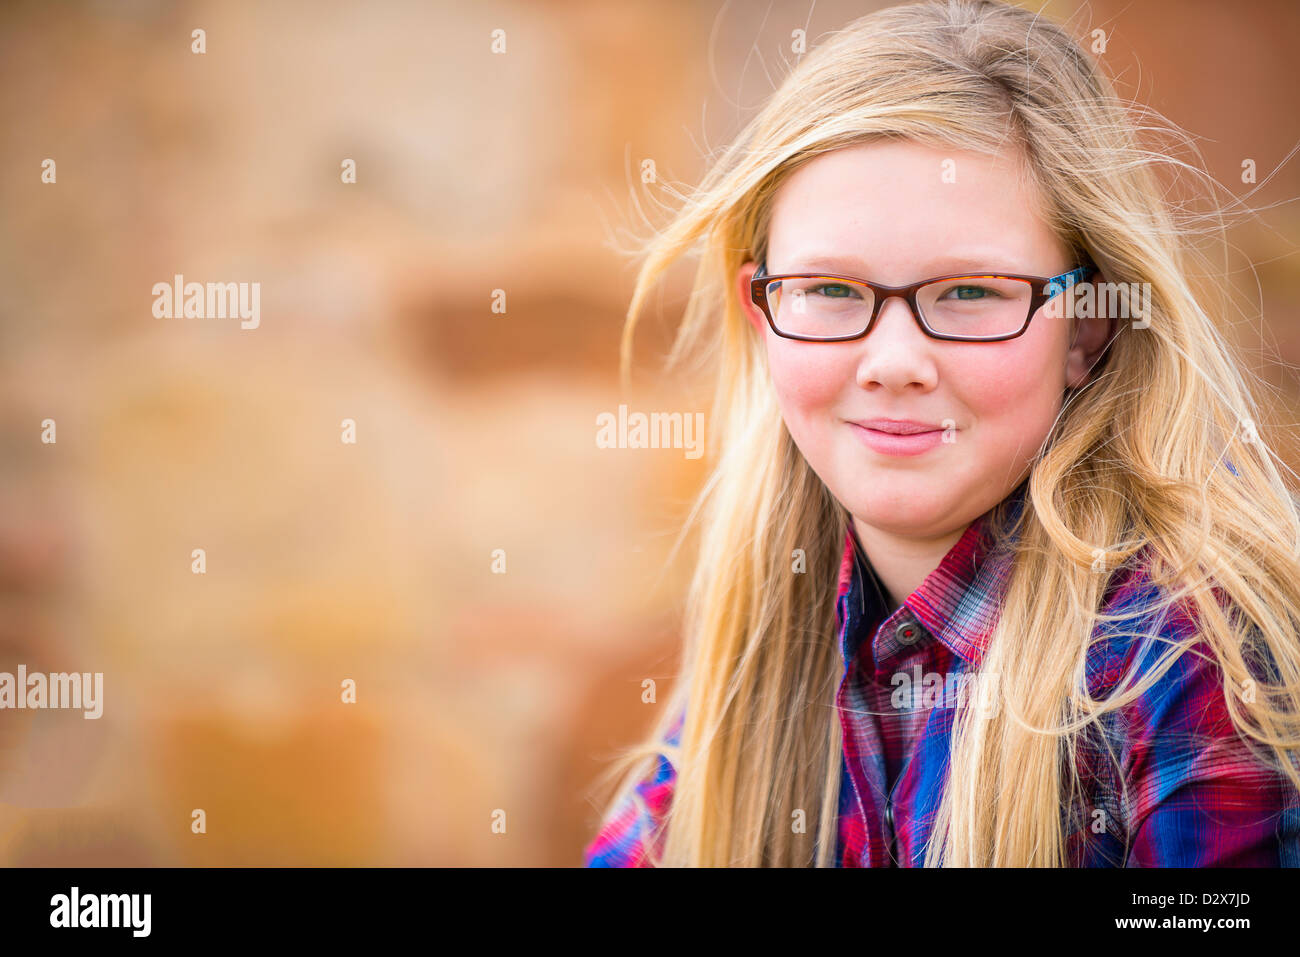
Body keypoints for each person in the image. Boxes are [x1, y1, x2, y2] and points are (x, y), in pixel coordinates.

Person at [583, 0, 1300, 867]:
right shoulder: (778, 628)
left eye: (968, 292)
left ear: (1086, 327)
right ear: (762, 314)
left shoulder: (1184, 653)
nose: (892, 361)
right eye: (831, 290)